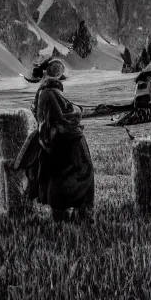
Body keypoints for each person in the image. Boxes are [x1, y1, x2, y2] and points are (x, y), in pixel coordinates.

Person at [13, 60, 95, 221]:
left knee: (59, 176)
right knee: (81, 172)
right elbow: (61, 117)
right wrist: (77, 112)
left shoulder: (45, 91)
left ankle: (63, 213)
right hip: (63, 140)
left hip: (52, 140)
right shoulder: (51, 92)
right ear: (58, 74)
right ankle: (76, 212)